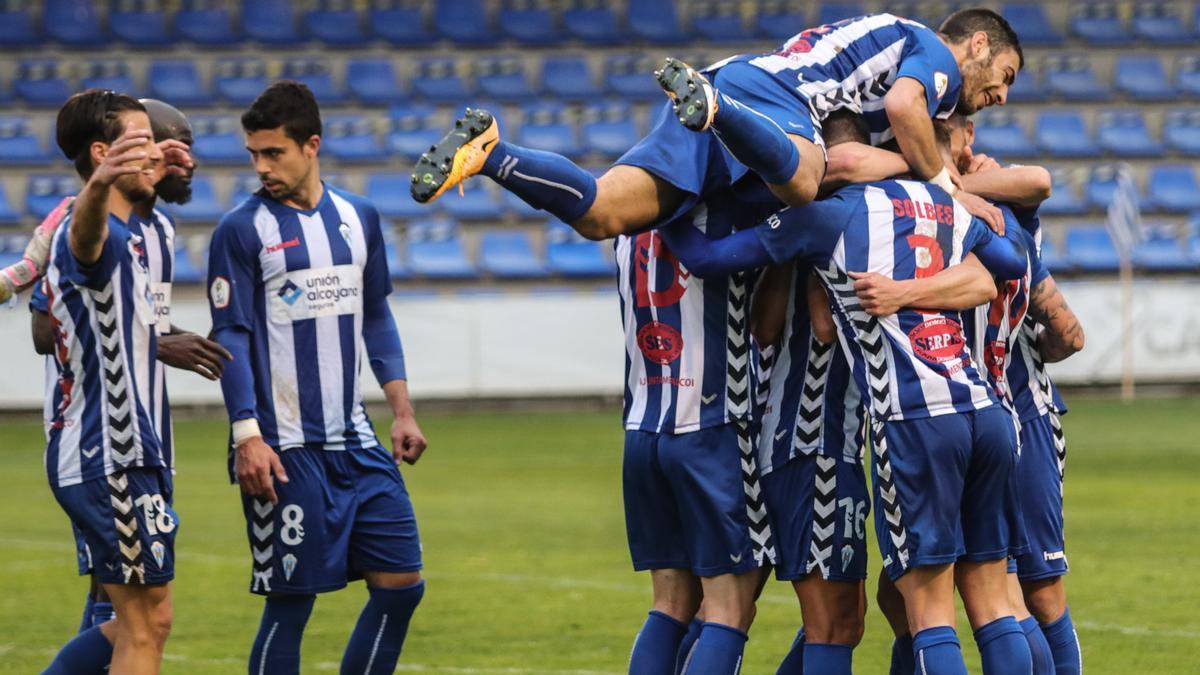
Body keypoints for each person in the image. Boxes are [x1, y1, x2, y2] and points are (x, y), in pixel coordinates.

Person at [410, 8, 1022, 238]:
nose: (1000, 94)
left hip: (732, 86)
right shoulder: (934, 54)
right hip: (769, 94)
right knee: (805, 180)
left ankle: (490, 151)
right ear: (975, 45)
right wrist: (952, 189)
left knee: (604, 215)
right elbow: (902, 108)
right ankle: (720, 112)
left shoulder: (885, 52)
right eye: (1006, 74)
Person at [206, 81, 426, 675]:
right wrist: (246, 435)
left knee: (402, 584)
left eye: (273, 153)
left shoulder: (360, 218)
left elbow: (376, 314)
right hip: (284, 448)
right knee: (291, 603)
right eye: (253, 154)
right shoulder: (241, 229)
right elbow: (232, 334)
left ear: (312, 145)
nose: (261, 167)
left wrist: (401, 409)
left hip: (355, 440)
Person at [30, 98, 229, 640]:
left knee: (128, 601)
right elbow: (46, 332)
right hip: (96, 436)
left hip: (147, 433)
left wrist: (163, 340)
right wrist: (160, 346)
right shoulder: (81, 225)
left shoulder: (159, 231)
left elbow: (135, 319)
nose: (183, 161)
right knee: (125, 602)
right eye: (169, 146)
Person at [38, 89, 177, 674]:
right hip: (105, 452)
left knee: (149, 619)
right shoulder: (86, 230)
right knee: (141, 628)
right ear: (103, 154)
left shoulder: (136, 233)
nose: (154, 155)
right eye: (140, 144)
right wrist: (99, 185)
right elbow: (86, 237)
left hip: (131, 450)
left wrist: (157, 171)